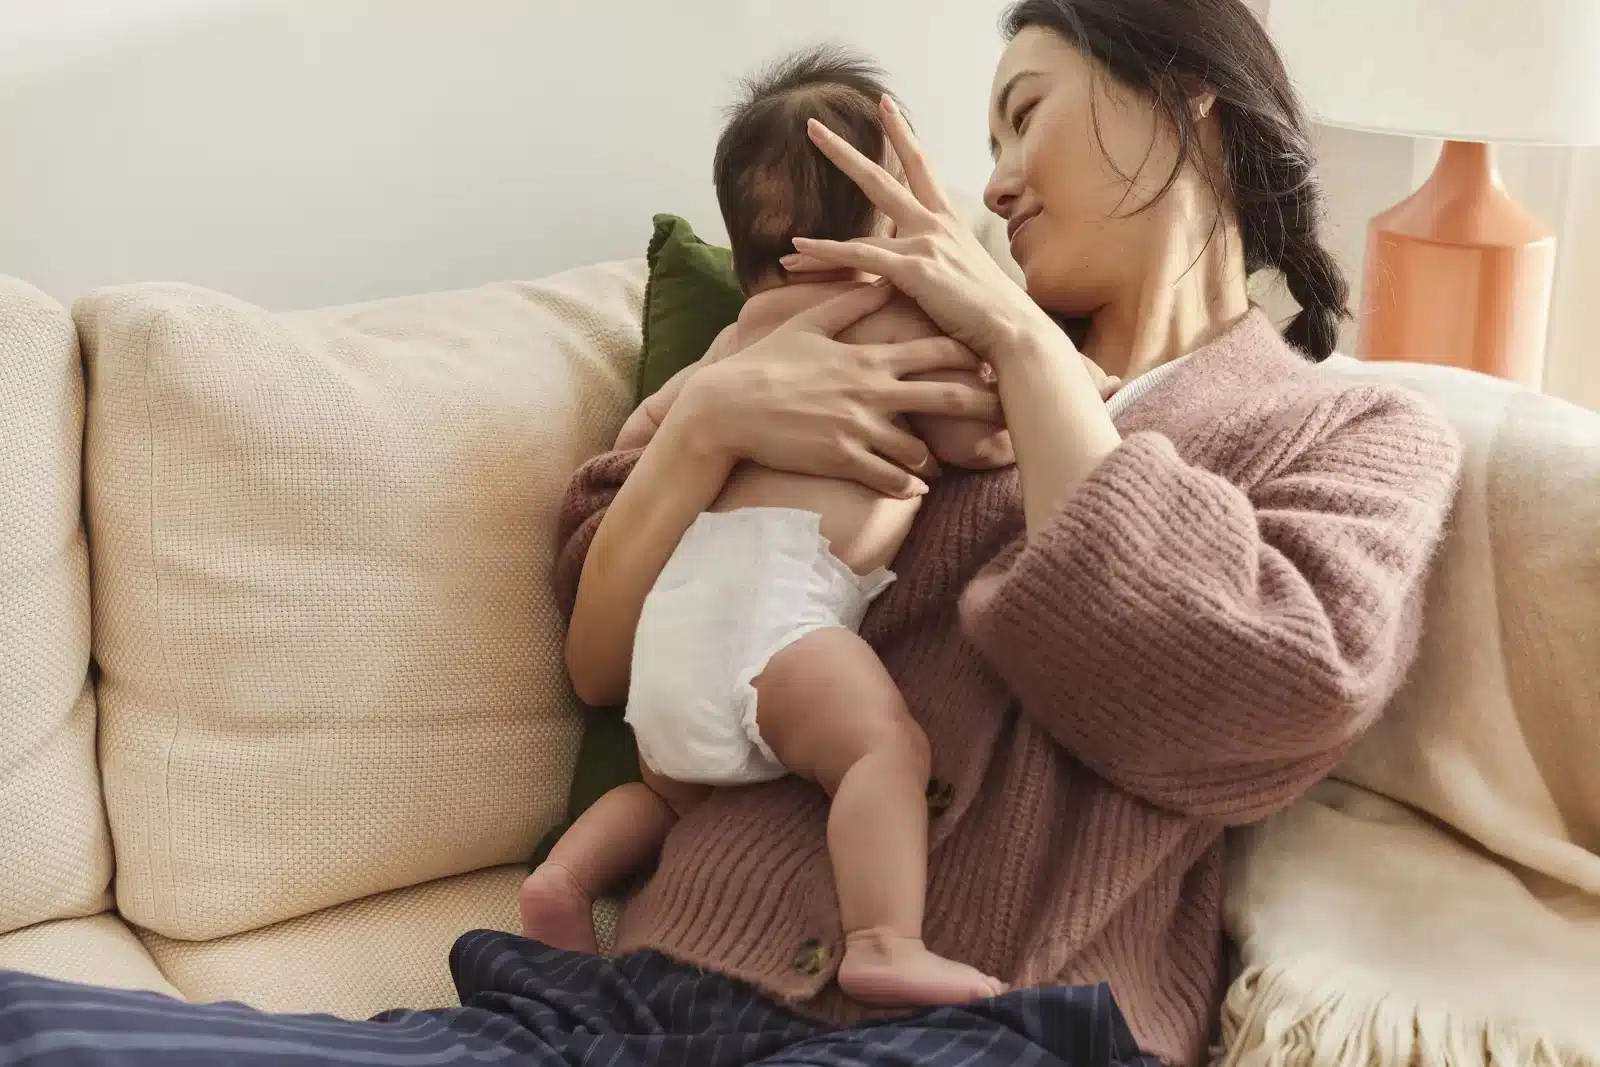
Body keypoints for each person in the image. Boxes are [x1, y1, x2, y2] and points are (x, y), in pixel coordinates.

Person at [0, 1, 1461, 1065]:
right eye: (989, 130)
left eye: (1026, 110)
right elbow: (617, 641)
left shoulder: (1352, 433)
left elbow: (1260, 692)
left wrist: (1024, 345)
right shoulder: (892, 339)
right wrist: (707, 422)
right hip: (628, 1003)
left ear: (1184, 91)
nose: (995, 177)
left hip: (994, 1023)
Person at [520, 47, 1048, 1010]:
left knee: (674, 795)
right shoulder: (889, 322)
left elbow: (647, 434)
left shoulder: (727, 349)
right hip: (779, 620)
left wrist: (696, 434)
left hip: (671, 637)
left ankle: (565, 881)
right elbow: (984, 439)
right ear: (886, 221)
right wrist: (1036, 373)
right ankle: (884, 937)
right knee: (885, 749)